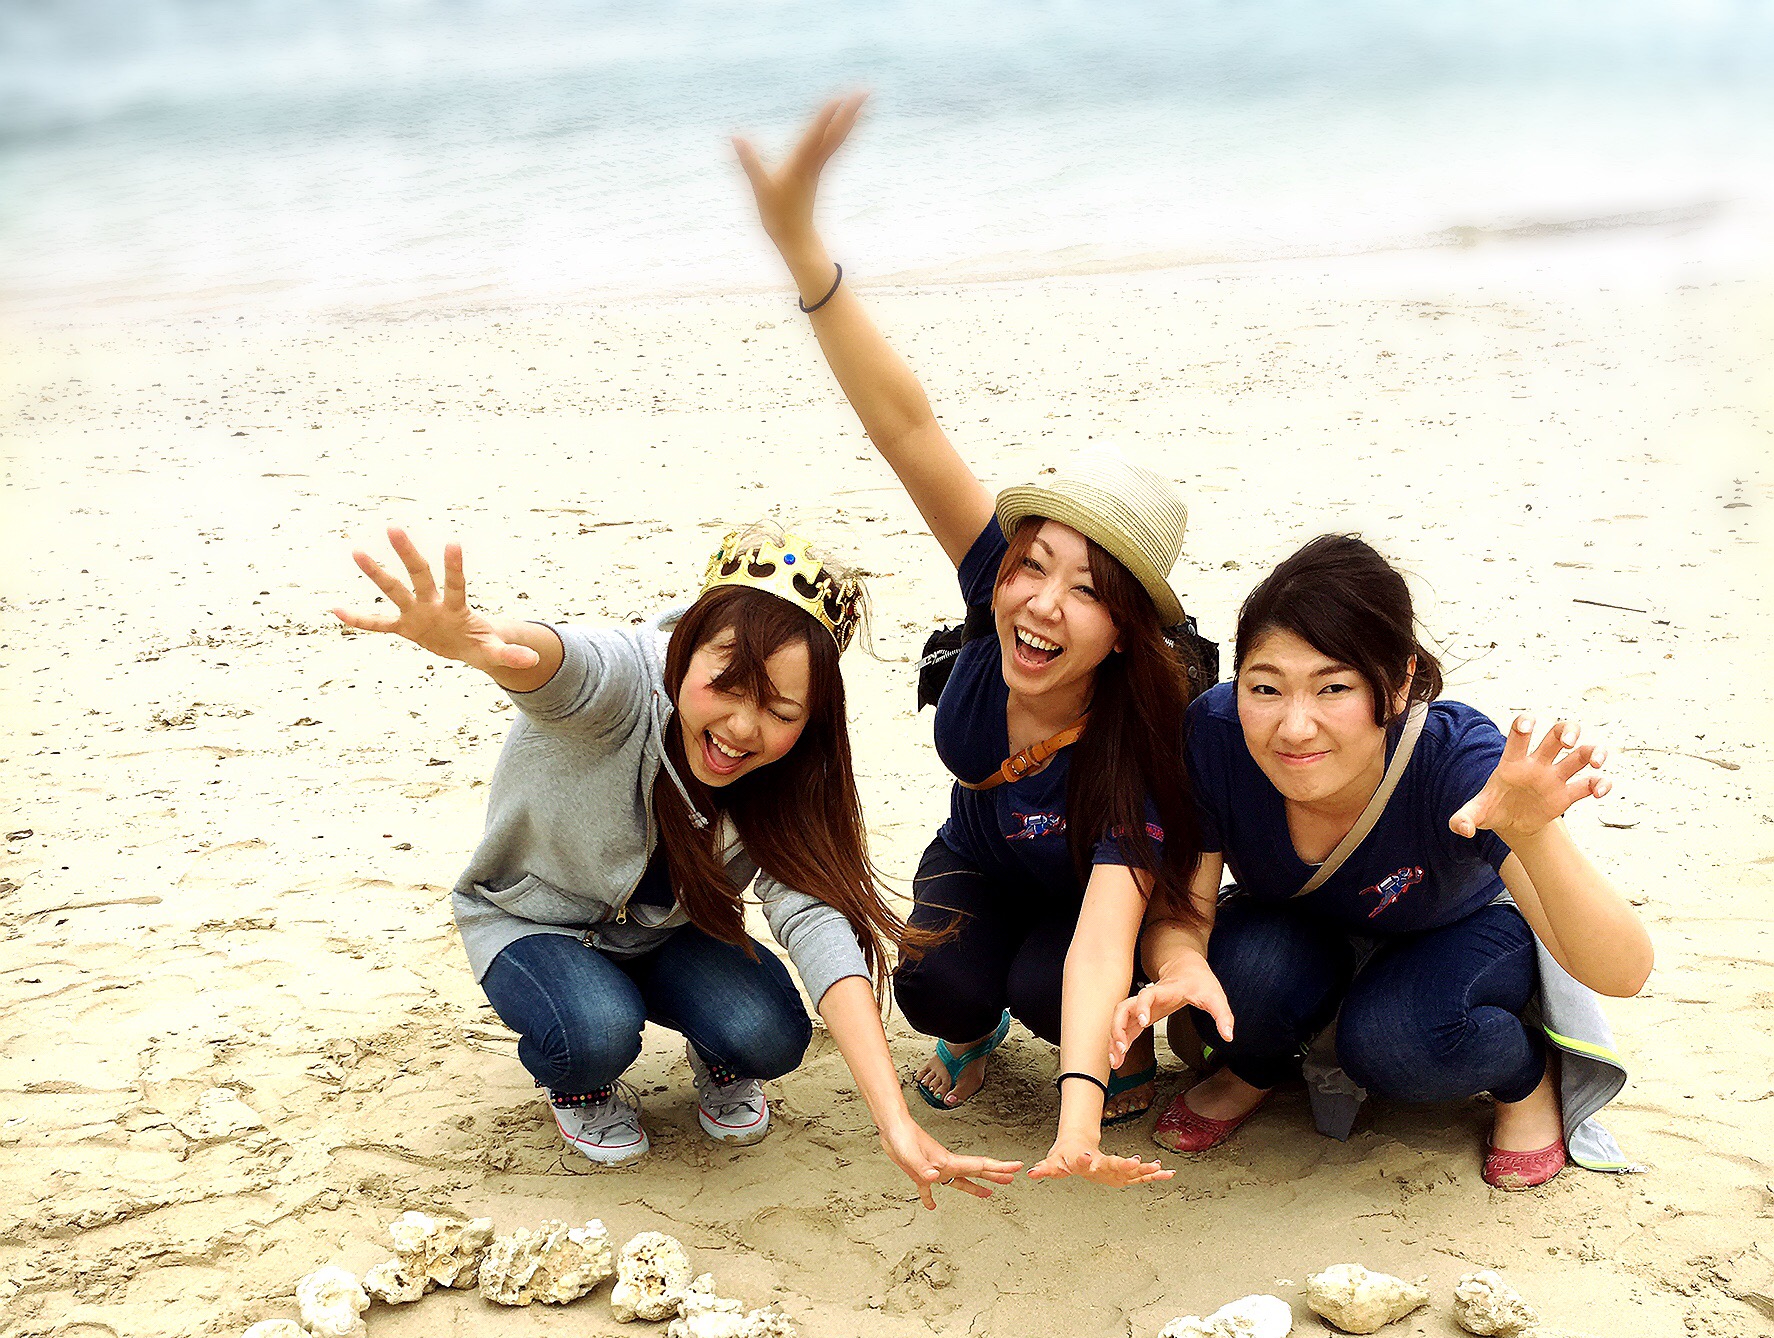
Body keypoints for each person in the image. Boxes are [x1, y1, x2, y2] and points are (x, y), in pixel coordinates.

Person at [737, 96, 1212, 1190]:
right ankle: (975, 1030)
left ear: (1126, 629)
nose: (1040, 603)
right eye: (1033, 563)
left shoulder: (1139, 735)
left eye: (1086, 590)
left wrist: (1076, 1121)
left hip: (1092, 899)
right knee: (935, 983)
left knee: (1060, 989)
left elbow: (1105, 936)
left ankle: (1096, 1047)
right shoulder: (992, 582)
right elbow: (904, 425)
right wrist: (802, 247)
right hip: (984, 857)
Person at [332, 521, 1022, 1205]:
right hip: (532, 922)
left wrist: (894, 1121)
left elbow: (815, 921)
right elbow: (559, 663)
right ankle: (577, 1085)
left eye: (781, 711)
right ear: (686, 649)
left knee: (772, 1036)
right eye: (727, 686)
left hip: (664, 934)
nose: (743, 729)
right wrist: (485, 642)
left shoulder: (794, 773)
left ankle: (711, 1052)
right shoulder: (627, 681)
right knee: (594, 1031)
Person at [1114, 534, 1653, 1186]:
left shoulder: (1456, 761)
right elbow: (1185, 913)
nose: (1294, 727)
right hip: (1308, 927)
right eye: (1266, 687)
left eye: (1333, 687)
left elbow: (1623, 973)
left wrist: (1536, 835)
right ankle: (1255, 1071)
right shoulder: (1217, 736)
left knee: (1394, 1040)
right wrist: (1181, 968)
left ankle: (1524, 1077)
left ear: (1398, 684)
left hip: (1457, 927)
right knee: (1238, 979)